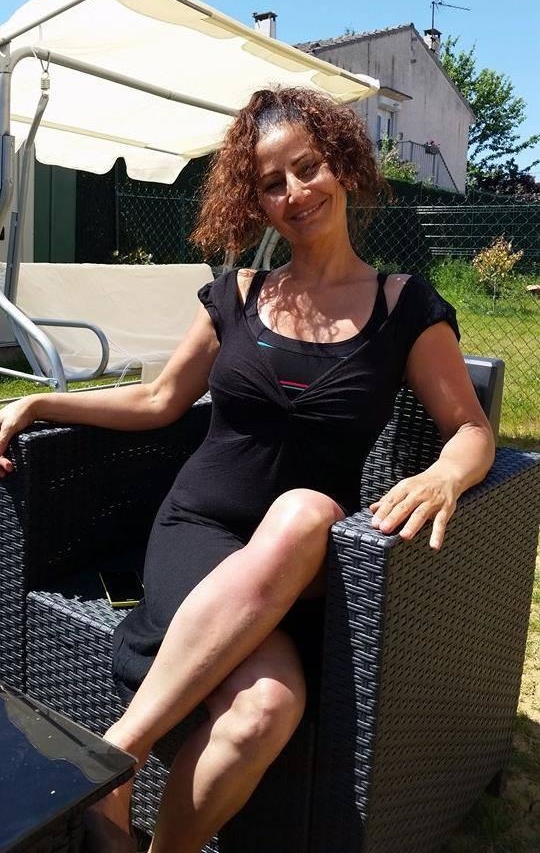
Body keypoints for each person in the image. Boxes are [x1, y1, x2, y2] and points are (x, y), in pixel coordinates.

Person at [0, 87, 495, 853]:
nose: (295, 191)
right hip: (199, 533)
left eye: (308, 167)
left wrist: (447, 476)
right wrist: (39, 404)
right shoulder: (237, 294)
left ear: (342, 166)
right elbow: (160, 400)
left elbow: (469, 428)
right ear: (255, 202)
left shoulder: (404, 306)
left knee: (303, 509)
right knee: (265, 709)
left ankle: (114, 756)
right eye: (271, 182)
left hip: (307, 562)